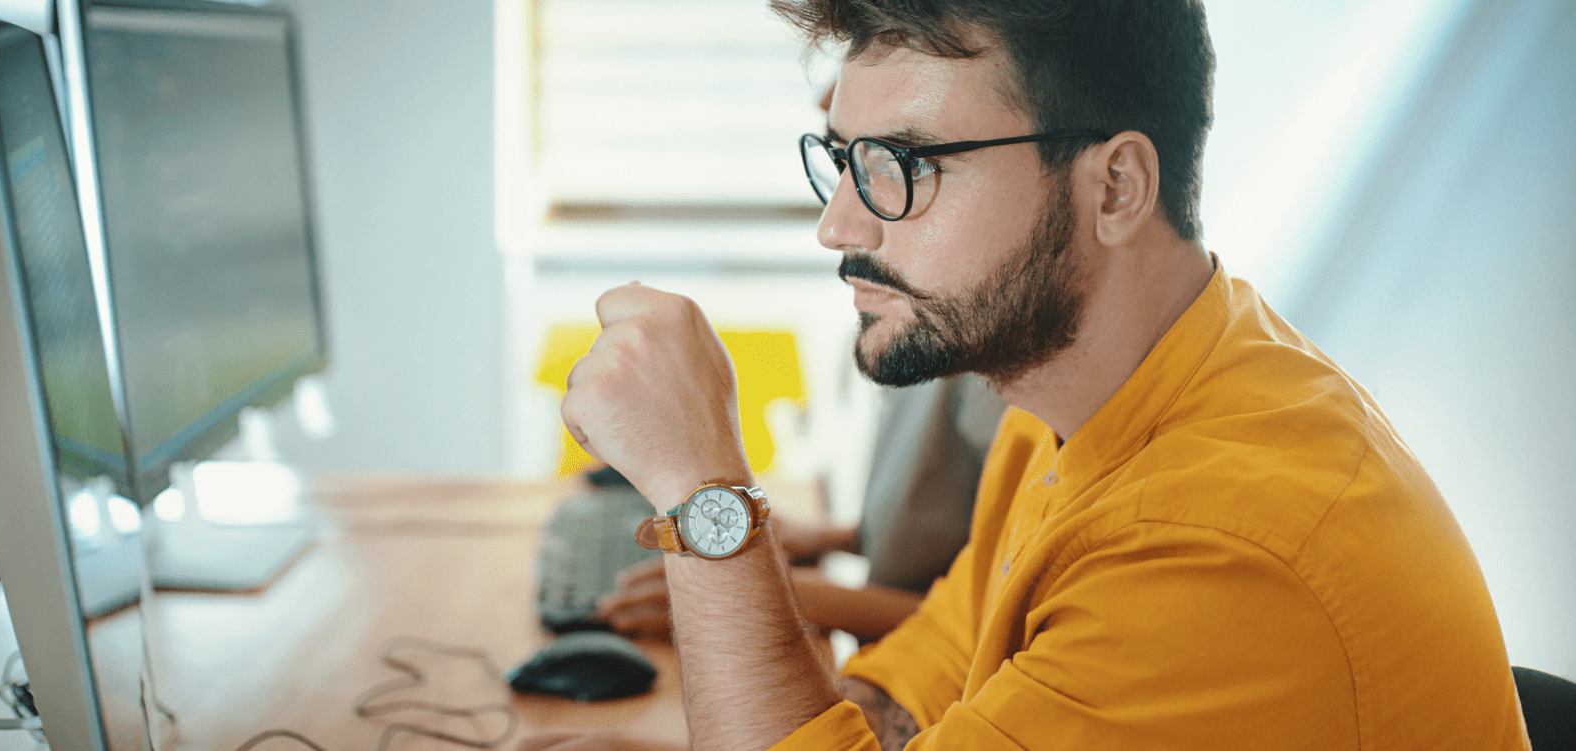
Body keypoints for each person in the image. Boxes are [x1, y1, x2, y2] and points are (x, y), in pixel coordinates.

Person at [533, 0, 1529, 749]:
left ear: (1114, 186)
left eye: (903, 165)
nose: (838, 224)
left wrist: (706, 492)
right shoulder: (1073, 395)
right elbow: (901, 699)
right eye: (840, 159)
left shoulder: (1220, 553)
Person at [596, 374, 1003, 642]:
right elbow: (961, 526)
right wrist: (835, 538)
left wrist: (761, 597)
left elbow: (999, 629)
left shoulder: (1009, 393)